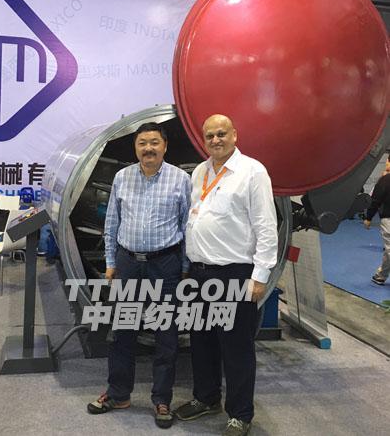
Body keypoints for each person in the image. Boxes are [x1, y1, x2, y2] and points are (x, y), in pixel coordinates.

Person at [175, 114, 278, 436]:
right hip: (199, 273)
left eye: (221, 133)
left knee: (236, 348)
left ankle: (240, 414)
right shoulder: (200, 172)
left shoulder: (252, 172)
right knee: (201, 341)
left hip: (234, 273)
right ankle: (206, 398)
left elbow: (266, 226)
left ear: (234, 135)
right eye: (210, 135)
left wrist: (260, 275)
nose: (216, 140)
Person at [87, 122, 191, 429]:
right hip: (128, 263)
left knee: (166, 334)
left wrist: (185, 268)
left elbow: (188, 226)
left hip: (165, 264)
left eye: (154, 142)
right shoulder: (123, 177)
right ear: (135, 148)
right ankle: (119, 393)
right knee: (123, 331)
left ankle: (162, 399)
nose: (148, 148)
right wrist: (110, 261)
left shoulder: (180, 179)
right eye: (142, 143)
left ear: (165, 146)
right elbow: (112, 223)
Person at [364, 153, 390, 286]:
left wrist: (368, 217)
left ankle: (381, 275)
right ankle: (381, 275)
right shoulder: (385, 179)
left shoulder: (385, 180)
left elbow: (375, 200)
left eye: (387, 161)